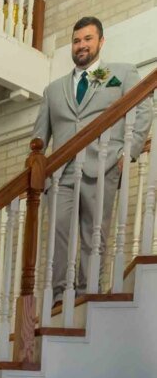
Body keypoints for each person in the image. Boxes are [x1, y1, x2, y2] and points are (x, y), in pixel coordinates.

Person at [32, 16, 151, 302]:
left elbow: (144, 110)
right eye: (76, 41)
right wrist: (38, 174)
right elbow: (39, 137)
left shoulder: (119, 74)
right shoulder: (54, 90)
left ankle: (88, 293)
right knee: (58, 236)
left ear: (100, 41)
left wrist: (129, 151)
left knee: (94, 235)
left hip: (103, 167)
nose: (81, 45)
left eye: (87, 39)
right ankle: (59, 296)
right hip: (61, 174)